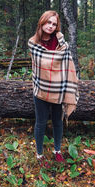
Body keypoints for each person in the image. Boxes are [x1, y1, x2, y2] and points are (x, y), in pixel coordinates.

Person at [28, 10, 79, 167]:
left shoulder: (61, 42)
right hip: (41, 88)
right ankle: (39, 154)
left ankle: (57, 151)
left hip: (59, 89)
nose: (50, 26)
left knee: (57, 121)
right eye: (48, 22)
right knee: (41, 122)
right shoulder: (33, 43)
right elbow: (40, 66)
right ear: (42, 22)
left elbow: (65, 63)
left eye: (54, 24)